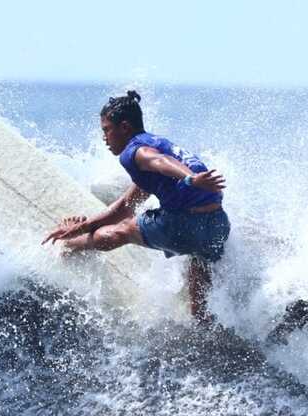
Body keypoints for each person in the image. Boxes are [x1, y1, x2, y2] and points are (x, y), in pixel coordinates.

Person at [42, 91, 229, 321]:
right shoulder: (159, 143)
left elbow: (159, 162)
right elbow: (124, 207)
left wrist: (191, 179)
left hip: (185, 225)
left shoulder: (134, 152)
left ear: (124, 128)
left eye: (107, 130)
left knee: (125, 230)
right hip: (217, 226)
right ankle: (203, 323)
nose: (105, 138)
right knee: (199, 260)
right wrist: (84, 225)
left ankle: (70, 245)